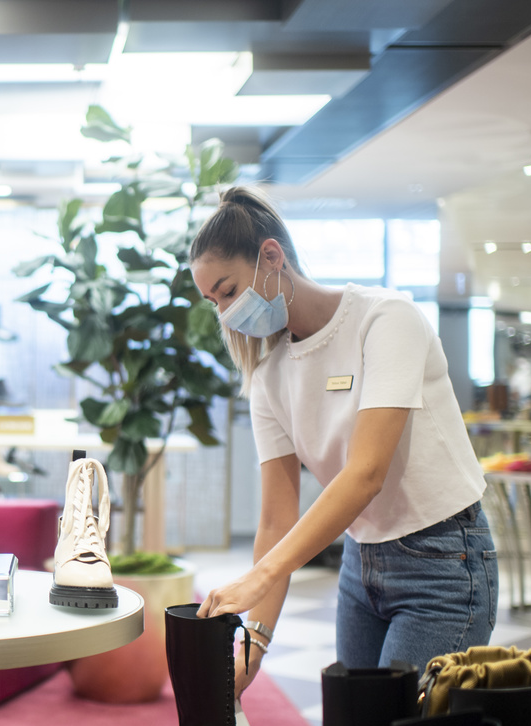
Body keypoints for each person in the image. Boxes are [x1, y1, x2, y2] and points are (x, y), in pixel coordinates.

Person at [190, 186, 494, 698]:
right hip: (361, 563)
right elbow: (276, 520)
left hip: (443, 561)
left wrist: (260, 577)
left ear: (272, 257)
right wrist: (254, 644)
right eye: (214, 301)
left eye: (228, 290)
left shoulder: (386, 319)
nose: (225, 312)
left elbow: (366, 473)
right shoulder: (268, 377)